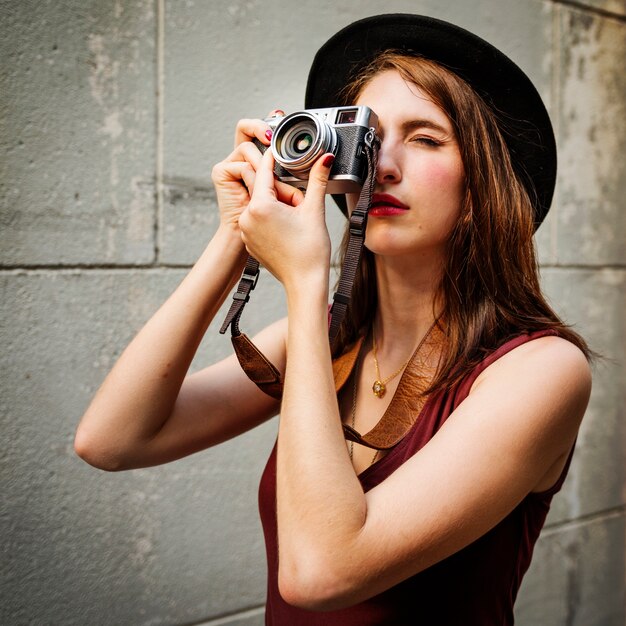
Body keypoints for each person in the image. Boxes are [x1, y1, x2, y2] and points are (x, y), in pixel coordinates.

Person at [75, 14, 592, 625]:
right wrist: (233, 237)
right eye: (368, 139)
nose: (384, 165)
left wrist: (302, 279)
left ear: (483, 183)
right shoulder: (328, 338)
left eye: (426, 139)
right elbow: (111, 440)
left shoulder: (542, 370)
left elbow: (320, 573)